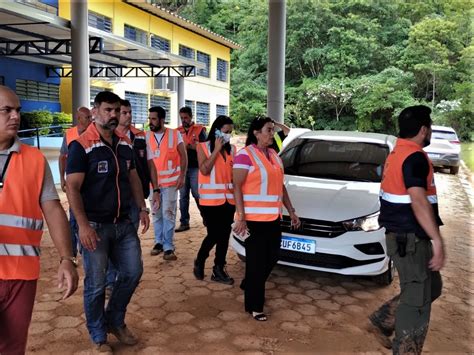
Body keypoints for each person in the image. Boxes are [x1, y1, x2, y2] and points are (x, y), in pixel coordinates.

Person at [66, 91, 150, 353]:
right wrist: (83, 225)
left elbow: (133, 177)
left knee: (133, 272)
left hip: (124, 223)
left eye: (116, 110)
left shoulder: (125, 144)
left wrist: (142, 207)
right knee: (96, 284)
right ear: (95, 111)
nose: (113, 115)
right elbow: (72, 188)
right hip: (95, 227)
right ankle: (98, 336)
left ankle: (115, 319)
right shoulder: (81, 146)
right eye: (107, 110)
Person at [0, 85, 79, 354]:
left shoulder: (34, 160)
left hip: (22, 275)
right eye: (6, 110)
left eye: (17, 110)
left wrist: (67, 259)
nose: (15, 116)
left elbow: (53, 209)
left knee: (13, 348)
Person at [368, 105, 445, 354]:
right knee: (417, 301)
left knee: (431, 287)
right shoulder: (414, 157)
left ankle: (384, 319)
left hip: (404, 237)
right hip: (409, 240)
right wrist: (437, 241)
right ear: (424, 129)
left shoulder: (397, 153)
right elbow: (418, 200)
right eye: (430, 127)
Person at [233, 116, 300, 321]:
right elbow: (236, 186)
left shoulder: (274, 155)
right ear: (256, 132)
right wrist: (241, 217)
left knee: (273, 257)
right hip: (253, 219)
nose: (271, 133)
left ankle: (252, 284)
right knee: (256, 263)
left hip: (273, 218)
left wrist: (292, 210)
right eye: (268, 130)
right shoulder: (245, 155)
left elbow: (281, 186)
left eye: (272, 129)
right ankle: (255, 306)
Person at [193, 115, 235, 284]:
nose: (228, 135)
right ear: (216, 131)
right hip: (210, 202)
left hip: (228, 200)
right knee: (214, 234)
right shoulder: (202, 147)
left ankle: (218, 268)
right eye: (226, 132)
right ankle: (200, 259)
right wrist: (216, 149)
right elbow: (204, 170)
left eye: (230, 132)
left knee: (224, 235)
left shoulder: (232, 150)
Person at [147, 106, 187, 261]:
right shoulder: (146, 136)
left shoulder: (174, 134)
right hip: (153, 185)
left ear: (162, 120)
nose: (150, 122)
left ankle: (168, 247)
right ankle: (158, 242)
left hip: (171, 183)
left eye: (154, 119)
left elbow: (183, 156)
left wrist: (182, 176)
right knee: (156, 214)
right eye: (149, 118)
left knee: (168, 214)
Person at [58, 106, 92, 257]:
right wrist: (62, 179)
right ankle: (71, 254)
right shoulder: (70, 134)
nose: (90, 120)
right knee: (73, 219)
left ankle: (85, 249)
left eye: (91, 117)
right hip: (74, 184)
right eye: (87, 118)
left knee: (88, 216)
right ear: (79, 119)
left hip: (89, 184)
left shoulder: (94, 134)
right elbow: (62, 156)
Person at [176, 106, 207, 232]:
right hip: (182, 168)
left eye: (186, 118)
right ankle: (184, 222)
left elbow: (205, 147)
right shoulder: (177, 131)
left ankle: (206, 218)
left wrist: (190, 147)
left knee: (197, 194)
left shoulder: (200, 130)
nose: (184, 120)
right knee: (183, 196)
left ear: (191, 117)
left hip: (195, 167)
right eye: (182, 118)